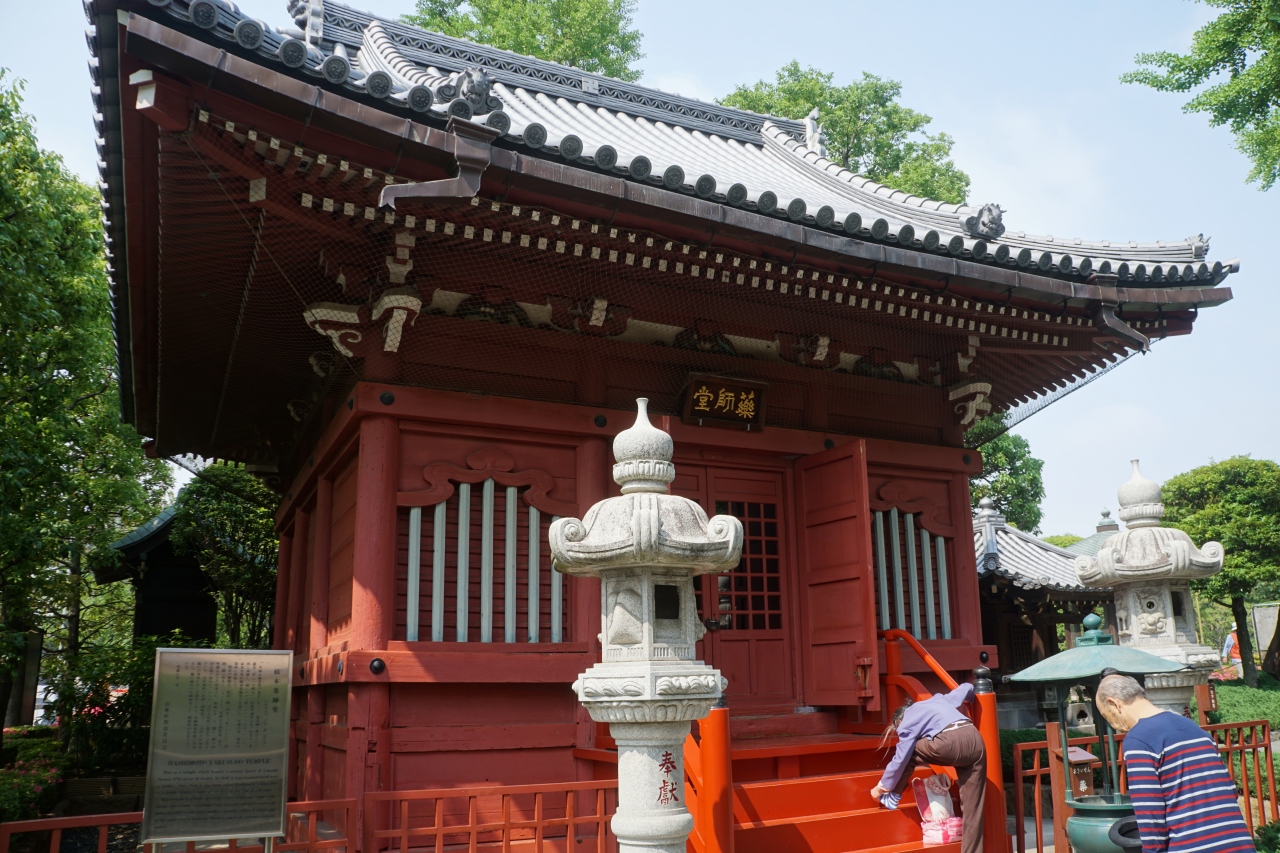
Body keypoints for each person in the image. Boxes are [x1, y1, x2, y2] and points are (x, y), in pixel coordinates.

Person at [1095, 674, 1255, 853]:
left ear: (1114, 704)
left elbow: (1150, 812)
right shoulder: (1194, 729)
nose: (1114, 725)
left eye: (1108, 717)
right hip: (1239, 842)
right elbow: (1230, 790)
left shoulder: (1138, 739)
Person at [869, 682, 985, 853]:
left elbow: (900, 758)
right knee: (973, 808)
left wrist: (881, 787)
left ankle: (893, 795)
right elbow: (967, 687)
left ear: (899, 721)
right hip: (975, 740)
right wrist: (970, 700)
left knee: (908, 751)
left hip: (948, 743)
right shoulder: (938, 700)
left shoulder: (906, 721)